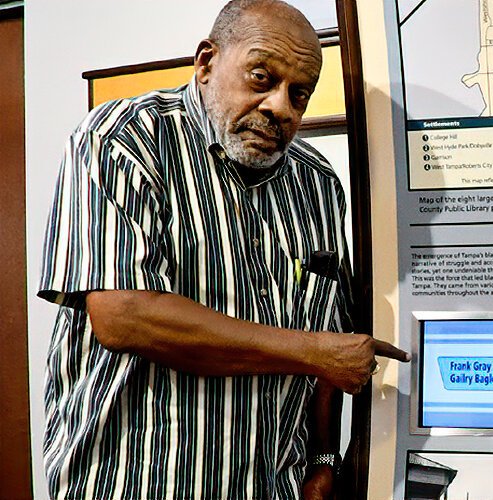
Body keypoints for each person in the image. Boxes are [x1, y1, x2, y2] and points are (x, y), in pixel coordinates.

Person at [35, 1, 408, 498]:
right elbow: (124, 316)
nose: (281, 107)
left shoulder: (318, 185)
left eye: (299, 95)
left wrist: (322, 457)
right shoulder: (123, 139)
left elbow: (329, 332)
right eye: (261, 77)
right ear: (206, 63)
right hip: (136, 483)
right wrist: (312, 353)